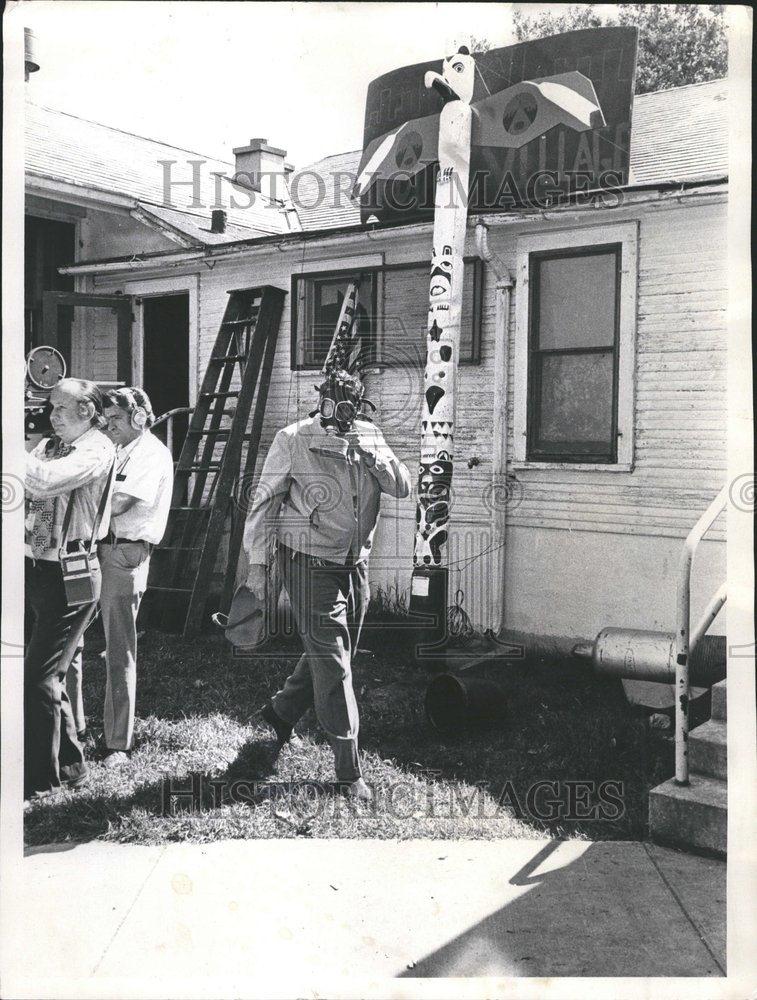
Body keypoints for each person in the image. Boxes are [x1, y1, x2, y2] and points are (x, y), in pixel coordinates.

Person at [243, 369, 411, 801]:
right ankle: (348, 769)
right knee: (334, 662)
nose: (340, 413)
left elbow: (403, 487)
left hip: (355, 563)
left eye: (349, 404)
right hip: (308, 562)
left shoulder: (369, 435)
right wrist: (258, 566)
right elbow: (263, 504)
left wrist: (371, 454)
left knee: (334, 651)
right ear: (320, 400)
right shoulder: (293, 438)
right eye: (333, 402)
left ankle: (280, 714)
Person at [24, 378, 115, 801]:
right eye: (50, 408)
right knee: (49, 672)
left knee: (38, 676)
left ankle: (42, 782)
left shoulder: (97, 448)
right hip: (38, 565)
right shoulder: (50, 446)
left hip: (72, 570)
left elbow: (41, 482)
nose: (51, 416)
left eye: (60, 409)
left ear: (86, 411)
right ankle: (72, 766)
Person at [80, 387, 173, 768]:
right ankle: (76, 729)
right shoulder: (117, 450)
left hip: (125, 552)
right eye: (106, 419)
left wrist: (77, 501)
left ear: (139, 418)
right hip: (98, 547)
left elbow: (119, 502)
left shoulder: (152, 454)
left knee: (119, 649)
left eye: (116, 419)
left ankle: (118, 742)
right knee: (74, 637)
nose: (108, 426)